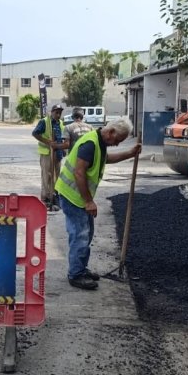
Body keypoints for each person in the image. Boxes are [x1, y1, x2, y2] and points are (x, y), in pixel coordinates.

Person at [55, 117, 142, 290]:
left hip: (79, 196)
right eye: (117, 140)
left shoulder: (100, 143)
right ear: (111, 132)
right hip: (72, 196)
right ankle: (75, 274)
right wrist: (89, 201)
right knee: (80, 235)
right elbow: (79, 173)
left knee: (87, 234)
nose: (117, 144)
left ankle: (81, 268)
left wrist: (130, 154)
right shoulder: (90, 144)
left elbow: (105, 158)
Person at [32, 104, 70, 212]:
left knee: (56, 176)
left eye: (60, 113)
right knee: (47, 176)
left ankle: (54, 196)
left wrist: (63, 150)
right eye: (56, 112)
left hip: (57, 154)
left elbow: (61, 138)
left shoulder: (60, 123)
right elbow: (35, 133)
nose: (58, 115)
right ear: (52, 112)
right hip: (47, 153)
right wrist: (48, 142)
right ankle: (45, 198)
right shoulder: (45, 122)